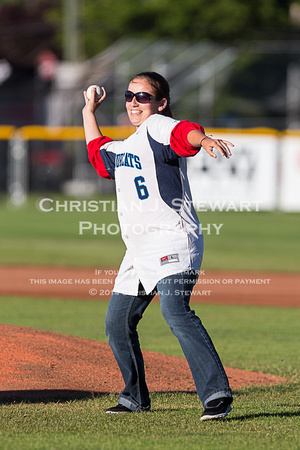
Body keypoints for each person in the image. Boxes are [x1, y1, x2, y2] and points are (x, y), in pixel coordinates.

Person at [82, 71, 234, 420]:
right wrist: (88, 112)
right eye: (129, 95)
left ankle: (216, 394)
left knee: (175, 311)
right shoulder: (124, 148)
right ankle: (134, 398)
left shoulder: (157, 127)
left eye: (143, 96)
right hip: (138, 251)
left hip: (174, 241)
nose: (134, 102)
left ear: (161, 103)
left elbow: (182, 132)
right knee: (117, 324)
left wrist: (204, 138)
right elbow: (97, 153)